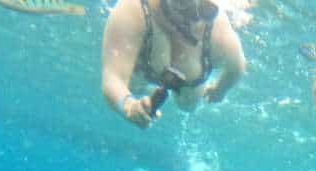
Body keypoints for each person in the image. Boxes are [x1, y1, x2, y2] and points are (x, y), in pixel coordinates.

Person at [102, 0, 246, 128]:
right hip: (144, 68)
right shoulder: (134, 8)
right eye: (183, 3)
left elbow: (237, 69)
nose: (194, 19)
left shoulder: (218, 30)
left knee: (188, 105)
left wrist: (219, 90)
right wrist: (128, 105)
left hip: (189, 81)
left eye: (204, 9)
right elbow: (113, 77)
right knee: (134, 86)